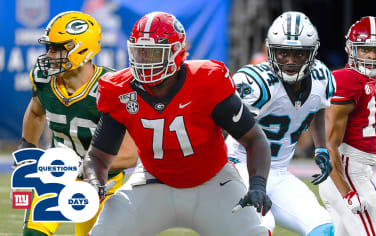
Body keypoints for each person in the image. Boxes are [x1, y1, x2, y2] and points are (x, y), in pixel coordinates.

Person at [83, 11, 272, 236]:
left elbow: (254, 139)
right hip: (153, 181)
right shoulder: (119, 90)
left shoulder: (206, 81)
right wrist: (95, 182)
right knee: (104, 232)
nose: (144, 61)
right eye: (140, 52)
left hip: (214, 182)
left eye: (153, 53)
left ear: (176, 53)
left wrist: (258, 184)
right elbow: (98, 157)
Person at [17, 11, 138, 236]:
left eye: (57, 48)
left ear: (82, 49)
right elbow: (36, 113)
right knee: (34, 234)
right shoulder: (43, 78)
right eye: (49, 48)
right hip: (57, 173)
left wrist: (84, 167)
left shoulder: (112, 89)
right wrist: (27, 146)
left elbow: (130, 155)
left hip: (103, 183)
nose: (49, 55)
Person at [225, 11, 335, 235]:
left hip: (278, 171)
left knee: (324, 227)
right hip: (239, 165)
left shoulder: (321, 78)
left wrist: (321, 147)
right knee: (260, 227)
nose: (290, 60)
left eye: (298, 54)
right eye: (283, 53)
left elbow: (318, 107)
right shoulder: (255, 84)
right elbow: (220, 124)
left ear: (312, 53)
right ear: (271, 51)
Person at [318, 16, 376, 236]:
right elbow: (329, 146)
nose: (372, 56)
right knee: (375, 228)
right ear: (352, 50)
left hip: (362, 170)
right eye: (365, 50)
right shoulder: (348, 81)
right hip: (346, 170)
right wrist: (347, 192)